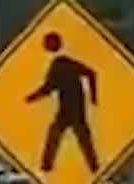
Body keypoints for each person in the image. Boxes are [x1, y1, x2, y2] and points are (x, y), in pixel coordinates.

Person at [26, 31, 99, 174]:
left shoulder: (63, 62)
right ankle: (47, 167)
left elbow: (90, 73)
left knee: (80, 137)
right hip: (66, 107)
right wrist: (32, 98)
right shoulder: (57, 64)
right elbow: (49, 87)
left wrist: (93, 96)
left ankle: (93, 168)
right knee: (58, 134)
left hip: (75, 107)